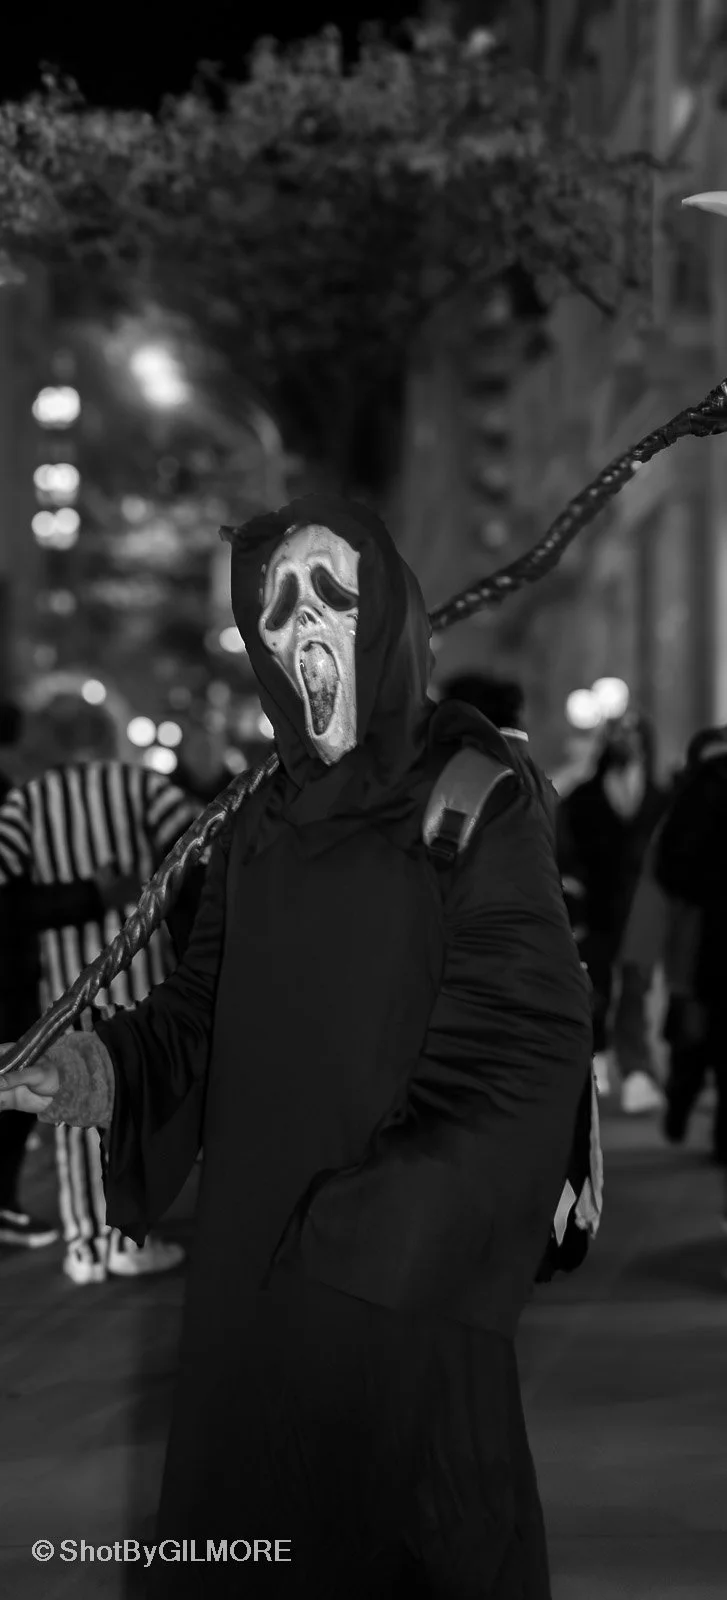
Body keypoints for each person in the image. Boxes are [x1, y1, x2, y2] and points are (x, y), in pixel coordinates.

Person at [0, 496, 593, 1598]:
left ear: (388, 617)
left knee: (406, 1539)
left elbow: (526, 1040)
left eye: (331, 590)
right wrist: (90, 1069)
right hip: (254, 1267)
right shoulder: (254, 820)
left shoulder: (473, 796)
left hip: (401, 1279)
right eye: (275, 600)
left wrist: (376, 1225)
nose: (301, 617)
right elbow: (201, 1005)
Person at [0, 692, 200, 1284]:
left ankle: (86, 1245)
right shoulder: (142, 788)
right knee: (132, 1100)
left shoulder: (26, 803)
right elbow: (207, 843)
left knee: (67, 1103)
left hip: (64, 983)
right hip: (138, 978)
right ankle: (128, 1237)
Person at [557, 709, 666, 1110]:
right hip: (596, 908)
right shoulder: (582, 798)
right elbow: (565, 852)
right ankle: (596, 1058)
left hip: (643, 909)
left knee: (637, 987)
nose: (627, 743)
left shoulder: (659, 798)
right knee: (594, 987)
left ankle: (636, 1069)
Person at [653, 726, 727, 1214]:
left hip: (710, 934)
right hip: (708, 934)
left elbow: (671, 865)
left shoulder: (700, 787)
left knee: (701, 1030)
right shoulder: (706, 786)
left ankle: (687, 1098)